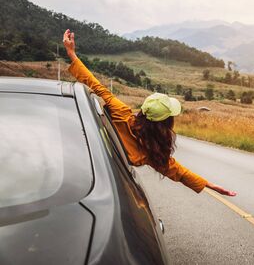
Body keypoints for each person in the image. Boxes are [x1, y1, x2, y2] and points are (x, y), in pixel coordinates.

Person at [63, 29, 236, 197]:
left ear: (144, 111)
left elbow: (96, 85)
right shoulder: (150, 151)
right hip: (107, 186)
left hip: (80, 168)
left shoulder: (121, 113)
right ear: (165, 124)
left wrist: (71, 53)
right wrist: (210, 184)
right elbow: (178, 172)